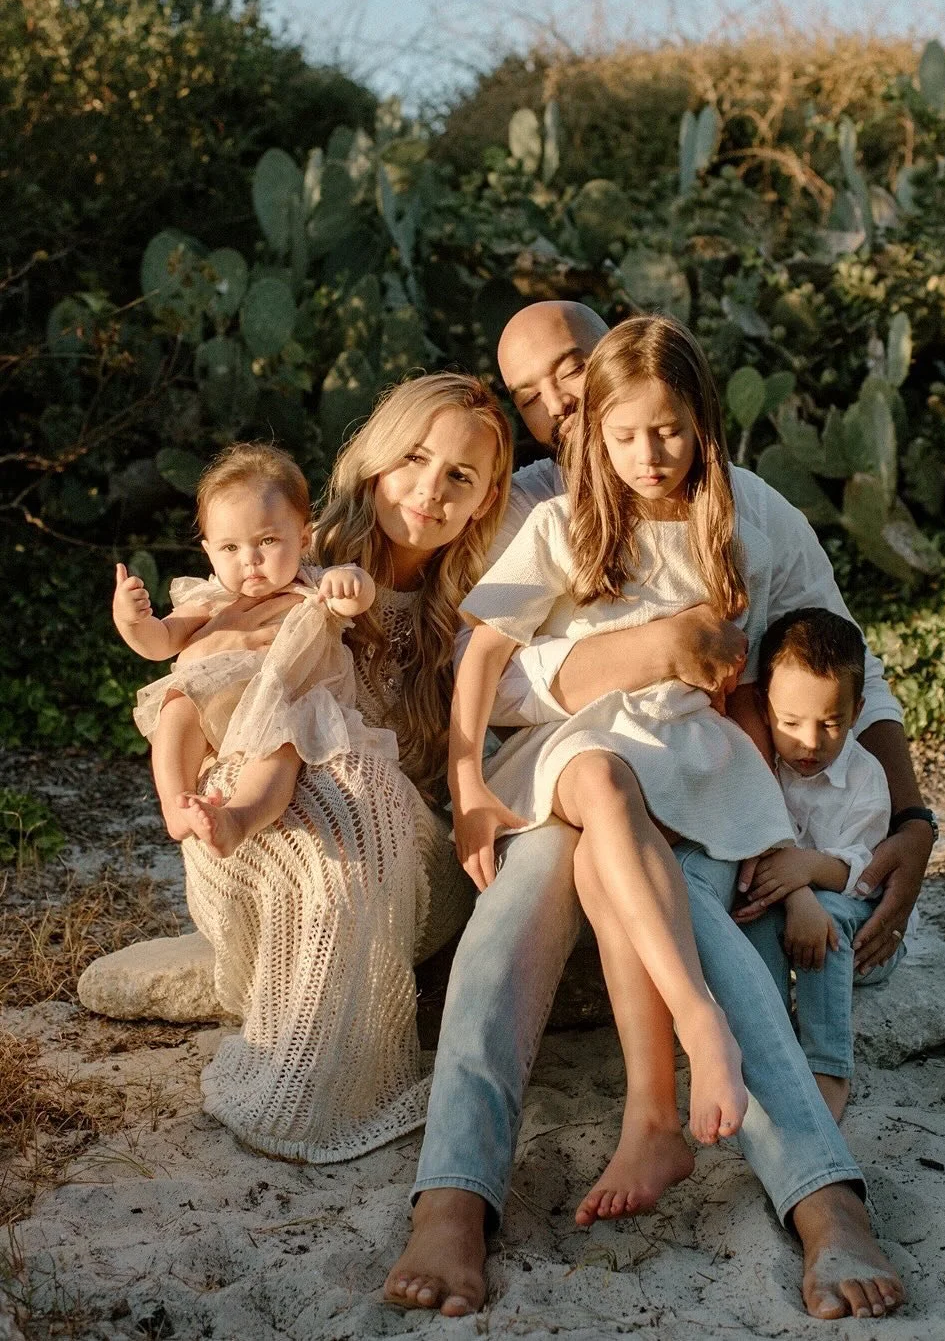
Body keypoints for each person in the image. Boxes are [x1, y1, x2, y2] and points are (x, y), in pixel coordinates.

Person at [387, 302, 934, 1321]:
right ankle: (456, 1195)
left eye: (570, 374)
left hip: (696, 776)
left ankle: (824, 1201)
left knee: (712, 929)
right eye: (532, 395)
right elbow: (484, 666)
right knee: (510, 919)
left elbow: (837, 652)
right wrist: (483, 776)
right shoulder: (541, 511)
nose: (561, 407)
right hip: (569, 767)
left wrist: (908, 812)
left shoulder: (752, 515)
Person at [451, 316, 800, 1154]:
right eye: (627, 437)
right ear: (599, 436)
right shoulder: (559, 524)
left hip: (680, 751)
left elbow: (746, 685)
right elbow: (480, 657)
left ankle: (651, 1119)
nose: (649, 455)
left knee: (616, 876)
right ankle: (699, 1021)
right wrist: (468, 787)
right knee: (600, 780)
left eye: (669, 432)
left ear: (701, 424)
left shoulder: (729, 529)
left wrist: (772, 813)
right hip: (578, 746)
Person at [176, 374, 514, 1161]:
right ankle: (295, 1064)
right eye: (414, 458)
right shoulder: (292, 561)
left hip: (399, 865)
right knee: (318, 775)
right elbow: (184, 693)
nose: (430, 491)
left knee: (370, 788)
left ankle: (314, 1081)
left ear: (484, 497)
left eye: (460, 476)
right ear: (374, 458)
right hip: (257, 839)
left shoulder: (478, 602)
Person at [112, 443, 378, 861]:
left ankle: (238, 819)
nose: (250, 560)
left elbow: (353, 601)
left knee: (280, 750)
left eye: (267, 540)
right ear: (209, 553)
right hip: (216, 709)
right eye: (230, 548)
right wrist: (132, 622)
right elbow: (161, 641)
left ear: (304, 537)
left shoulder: (313, 586)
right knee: (177, 703)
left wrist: (351, 581)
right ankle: (175, 803)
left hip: (283, 706)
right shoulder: (210, 598)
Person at [733, 608, 915, 1123]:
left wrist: (807, 876)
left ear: (856, 712)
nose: (811, 743)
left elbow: (864, 873)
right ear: (765, 709)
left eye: (831, 723)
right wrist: (798, 894)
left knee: (829, 921)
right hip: (798, 907)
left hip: (864, 934)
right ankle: (769, 1051)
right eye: (791, 723)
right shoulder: (761, 764)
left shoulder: (865, 777)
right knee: (754, 914)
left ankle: (828, 1065)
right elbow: (763, 858)